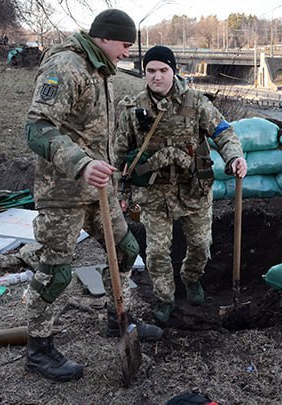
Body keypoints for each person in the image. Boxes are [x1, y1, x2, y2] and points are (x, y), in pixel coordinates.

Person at [22, 9, 162, 383]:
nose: (126, 53)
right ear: (105, 38)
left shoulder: (99, 70)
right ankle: (39, 349)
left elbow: (97, 136)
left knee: (127, 248)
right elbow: (36, 128)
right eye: (125, 45)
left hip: (98, 188)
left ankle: (117, 320)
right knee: (56, 271)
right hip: (63, 189)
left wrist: (110, 183)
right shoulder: (66, 67)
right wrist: (81, 164)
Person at [114, 46, 247, 324]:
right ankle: (164, 297)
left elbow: (223, 132)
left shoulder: (196, 102)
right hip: (154, 195)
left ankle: (191, 278)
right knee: (157, 252)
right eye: (151, 71)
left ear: (173, 71)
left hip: (193, 191)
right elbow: (118, 153)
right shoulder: (132, 108)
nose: (157, 77)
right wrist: (119, 190)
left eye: (163, 70)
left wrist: (234, 157)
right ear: (144, 73)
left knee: (200, 244)